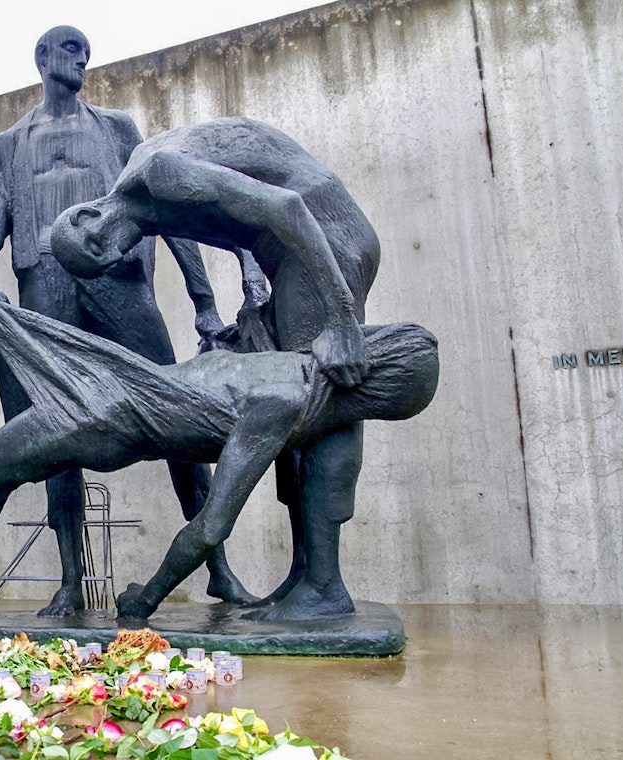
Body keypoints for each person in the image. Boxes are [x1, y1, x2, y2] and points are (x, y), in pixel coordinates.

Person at [0, 26, 249, 616]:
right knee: (52, 428)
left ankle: (217, 567)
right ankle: (71, 582)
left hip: (118, 278)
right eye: (71, 50)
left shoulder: (115, 128)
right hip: (44, 280)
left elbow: (160, 209)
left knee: (177, 410)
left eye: (87, 53)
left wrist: (203, 299)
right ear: (42, 58)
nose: (83, 60)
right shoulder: (9, 145)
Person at [0, 299, 437, 619]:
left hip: (107, 415)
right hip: (118, 390)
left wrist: (148, 597)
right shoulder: (285, 366)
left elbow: (211, 524)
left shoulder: (281, 400)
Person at [48, 116, 382, 619]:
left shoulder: (158, 174)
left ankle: (325, 586)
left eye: (99, 247)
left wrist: (341, 318)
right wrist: (255, 295)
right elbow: (235, 221)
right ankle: (305, 576)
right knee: (294, 412)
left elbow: (285, 206)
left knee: (320, 403)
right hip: (292, 253)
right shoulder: (150, 204)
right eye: (102, 264)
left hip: (322, 239)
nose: (114, 256)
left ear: (89, 215)